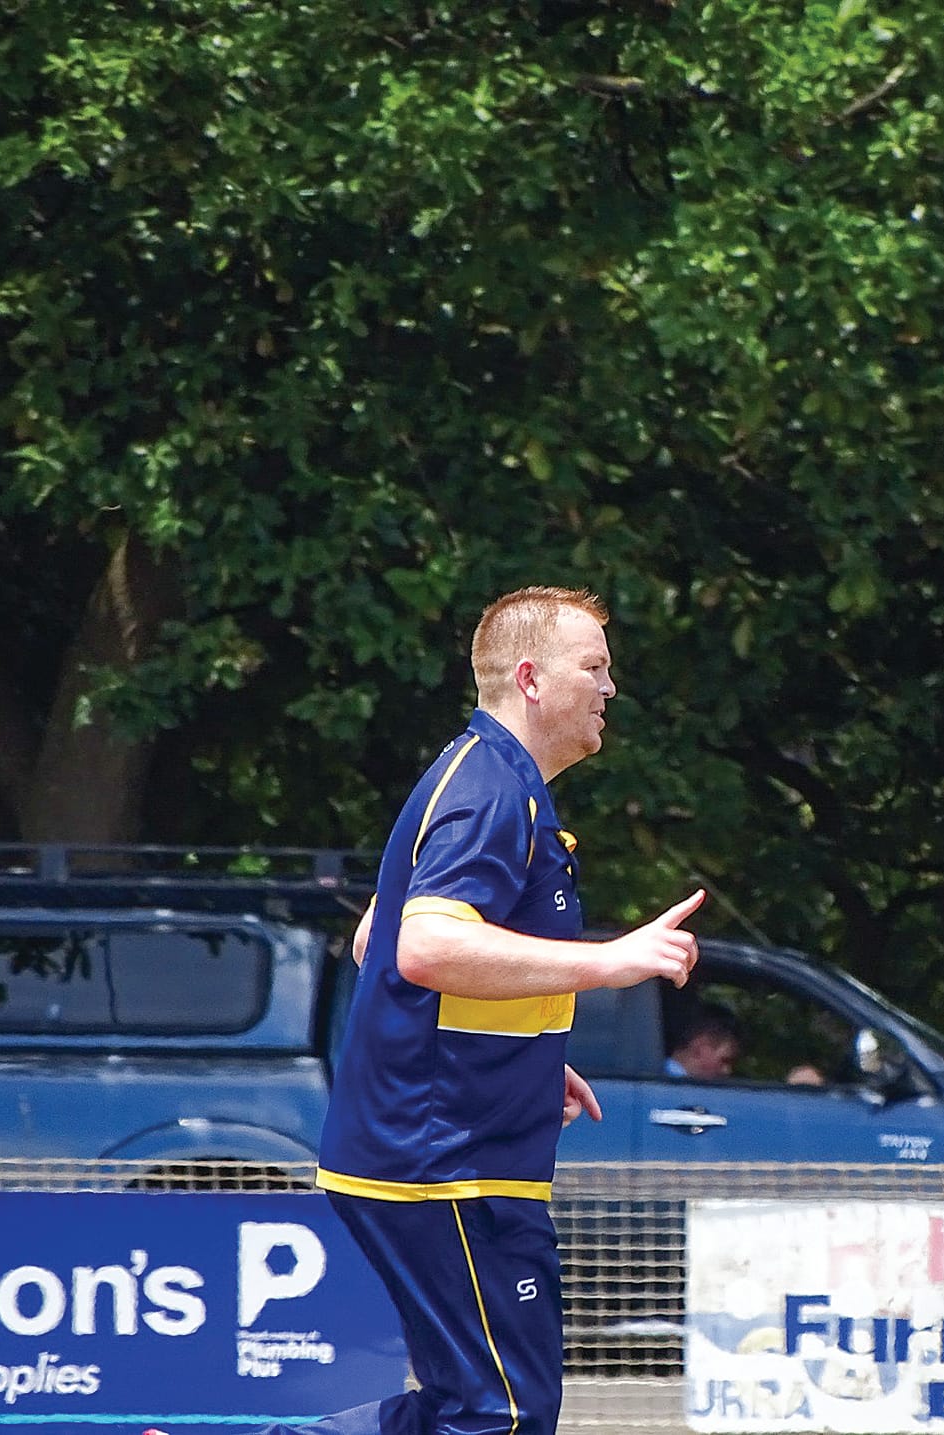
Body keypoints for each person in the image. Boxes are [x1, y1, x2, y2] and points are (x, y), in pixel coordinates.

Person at [163, 587, 704, 1435]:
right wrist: (608, 962)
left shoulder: (498, 781)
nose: (610, 687)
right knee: (499, 1415)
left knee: (483, 1411)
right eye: (594, 667)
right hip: (439, 1159)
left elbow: (378, 932)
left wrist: (528, 1049)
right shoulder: (488, 786)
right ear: (530, 677)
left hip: (454, 1152)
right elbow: (422, 946)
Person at [666, 1001, 742, 1079]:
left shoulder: (659, 1078)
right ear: (699, 1047)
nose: (726, 1071)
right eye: (724, 1060)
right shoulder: (667, 1085)